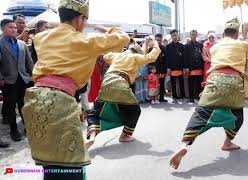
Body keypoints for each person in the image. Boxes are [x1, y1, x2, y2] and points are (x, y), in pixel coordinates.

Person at [21, 0, 130, 179]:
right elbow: (123, 37)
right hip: (59, 101)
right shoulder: (85, 40)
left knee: (49, 158)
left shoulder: (41, 38)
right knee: (70, 162)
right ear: (80, 19)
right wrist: (102, 28)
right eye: (84, 21)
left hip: (34, 99)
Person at [169, 18, 248, 170]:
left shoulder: (215, 47)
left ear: (223, 34)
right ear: (237, 34)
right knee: (237, 116)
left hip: (215, 79)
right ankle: (227, 142)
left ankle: (184, 144)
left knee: (200, 113)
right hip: (234, 81)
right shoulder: (242, 43)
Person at [86, 41, 160, 148]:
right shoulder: (135, 57)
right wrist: (156, 44)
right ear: (137, 52)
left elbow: (105, 55)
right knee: (134, 111)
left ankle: (92, 135)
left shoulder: (117, 55)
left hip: (106, 82)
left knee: (95, 113)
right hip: (121, 83)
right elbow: (151, 56)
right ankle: (125, 135)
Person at [0, 19, 34, 141]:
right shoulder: (1, 43)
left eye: (15, 27)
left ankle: (27, 128)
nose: (14, 29)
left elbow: (29, 62)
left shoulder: (22, 44)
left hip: (23, 79)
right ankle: (14, 131)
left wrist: (33, 75)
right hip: (8, 81)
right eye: (11, 27)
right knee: (10, 107)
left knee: (24, 105)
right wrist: (1, 79)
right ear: (3, 29)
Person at [184, 30, 204, 102]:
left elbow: (202, 56)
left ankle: (198, 97)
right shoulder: (186, 46)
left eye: (195, 35)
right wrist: (186, 67)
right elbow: (185, 57)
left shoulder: (200, 45)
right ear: (190, 35)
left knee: (199, 83)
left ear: (197, 35)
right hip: (191, 68)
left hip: (199, 67)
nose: (193, 36)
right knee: (191, 84)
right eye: (192, 34)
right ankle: (191, 97)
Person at [166, 30, 185, 102]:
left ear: (178, 35)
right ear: (171, 36)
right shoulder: (168, 46)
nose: (175, 37)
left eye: (176, 35)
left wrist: (184, 67)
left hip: (180, 67)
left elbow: (184, 58)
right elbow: (167, 58)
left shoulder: (182, 46)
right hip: (172, 68)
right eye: (173, 35)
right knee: (173, 83)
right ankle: (174, 96)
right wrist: (168, 68)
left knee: (181, 83)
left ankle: (182, 96)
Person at [148, 33, 168, 102]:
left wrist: (165, 69)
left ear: (161, 40)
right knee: (153, 85)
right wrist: (151, 71)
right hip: (154, 70)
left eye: (160, 40)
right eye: (157, 40)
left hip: (162, 70)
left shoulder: (164, 48)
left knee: (162, 84)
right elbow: (149, 60)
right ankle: (153, 98)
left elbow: (166, 59)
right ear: (154, 40)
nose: (158, 41)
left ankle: (161, 98)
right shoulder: (151, 49)